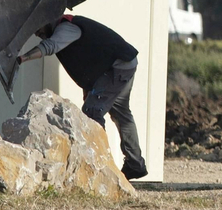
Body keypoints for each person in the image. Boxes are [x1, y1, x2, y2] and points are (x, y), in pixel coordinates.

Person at [18, 14, 147, 181]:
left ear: (47, 20)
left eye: (37, 29)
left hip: (118, 66)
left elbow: (50, 46)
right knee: (121, 114)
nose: (37, 34)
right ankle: (135, 165)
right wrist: (89, 88)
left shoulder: (67, 28)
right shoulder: (67, 27)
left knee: (92, 112)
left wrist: (22, 58)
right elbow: (89, 57)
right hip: (122, 63)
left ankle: (101, 167)